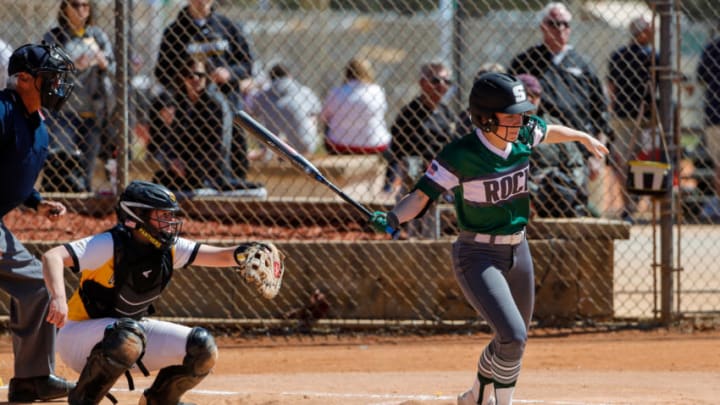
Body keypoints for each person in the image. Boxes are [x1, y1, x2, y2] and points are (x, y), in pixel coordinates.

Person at [370, 72, 608, 405]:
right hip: (477, 255)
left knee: (512, 341)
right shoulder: (461, 154)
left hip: (518, 251)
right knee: (512, 335)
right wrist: (395, 216)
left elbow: (549, 130)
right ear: (485, 118)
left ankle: (476, 395)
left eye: (521, 112)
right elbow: (422, 196)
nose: (521, 119)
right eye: (510, 114)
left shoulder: (522, 133)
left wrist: (582, 137)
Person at [41, 180, 284, 404]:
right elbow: (53, 256)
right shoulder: (109, 244)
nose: (170, 222)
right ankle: (83, 399)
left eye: (171, 215)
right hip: (77, 337)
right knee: (128, 335)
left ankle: (159, 401)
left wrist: (245, 251)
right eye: (162, 215)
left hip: (128, 335)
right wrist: (59, 298)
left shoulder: (167, 248)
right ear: (138, 215)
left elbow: (219, 255)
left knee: (202, 348)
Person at [1, 42, 76, 402]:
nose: (58, 85)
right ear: (26, 80)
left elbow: (11, 172)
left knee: (39, 287)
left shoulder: (37, 126)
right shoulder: (2, 111)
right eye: (51, 77)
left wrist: (36, 202)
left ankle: (32, 378)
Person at [509, 2, 611, 211]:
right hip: (538, 152)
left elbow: (600, 115)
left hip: (577, 154)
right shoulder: (525, 62)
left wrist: (595, 158)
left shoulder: (582, 66)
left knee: (574, 207)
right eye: (554, 23)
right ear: (543, 27)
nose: (561, 29)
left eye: (565, 24)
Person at [155, 0, 255, 182]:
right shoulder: (175, 31)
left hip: (227, 99)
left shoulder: (227, 26)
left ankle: (235, 185)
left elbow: (247, 65)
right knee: (193, 152)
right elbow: (162, 72)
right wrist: (177, 90)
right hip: (190, 104)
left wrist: (229, 73)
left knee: (234, 148)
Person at [151, 57, 266, 197]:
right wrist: (172, 160)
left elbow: (218, 149)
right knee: (158, 181)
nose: (195, 79)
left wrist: (189, 167)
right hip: (188, 171)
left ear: (207, 77)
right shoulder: (182, 103)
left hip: (214, 173)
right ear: (182, 78)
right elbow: (170, 141)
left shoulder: (216, 104)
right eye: (189, 75)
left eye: (200, 75)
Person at [43, 0, 116, 192]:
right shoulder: (55, 36)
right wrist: (73, 65)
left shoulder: (97, 36)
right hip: (63, 111)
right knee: (61, 163)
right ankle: (62, 205)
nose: (81, 10)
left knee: (87, 168)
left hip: (93, 111)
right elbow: (45, 67)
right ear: (65, 7)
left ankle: (84, 205)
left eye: (86, 5)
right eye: (76, 5)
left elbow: (116, 69)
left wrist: (103, 62)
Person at [384, 61, 457, 236]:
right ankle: (416, 235)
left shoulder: (446, 113)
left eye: (447, 82)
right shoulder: (409, 113)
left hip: (441, 169)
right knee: (415, 169)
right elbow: (400, 150)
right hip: (417, 170)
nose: (442, 86)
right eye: (436, 80)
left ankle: (429, 237)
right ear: (422, 83)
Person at [520, 73, 594, 217]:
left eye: (535, 95)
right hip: (528, 192)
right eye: (525, 94)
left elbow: (576, 162)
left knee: (589, 211)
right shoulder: (507, 129)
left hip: (557, 191)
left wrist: (571, 186)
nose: (531, 99)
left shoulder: (552, 124)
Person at [607, 16, 658, 220]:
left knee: (626, 161)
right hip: (646, 115)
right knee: (643, 160)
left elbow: (612, 88)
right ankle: (636, 202)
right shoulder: (653, 55)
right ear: (643, 32)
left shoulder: (619, 55)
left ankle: (630, 204)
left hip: (625, 114)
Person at [248, 63, 322, 157]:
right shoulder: (304, 91)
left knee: (268, 117)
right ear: (289, 75)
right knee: (310, 118)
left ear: (270, 78)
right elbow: (317, 113)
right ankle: (297, 148)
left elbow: (253, 112)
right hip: (305, 144)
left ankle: (271, 151)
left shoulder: (263, 95)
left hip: (272, 147)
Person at [321, 57, 391, 154]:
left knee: (328, 125)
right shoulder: (377, 91)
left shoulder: (336, 92)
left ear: (347, 72)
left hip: (339, 145)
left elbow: (324, 117)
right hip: (375, 145)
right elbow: (382, 112)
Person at [697, 31, 720, 221]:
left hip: (715, 113)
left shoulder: (712, 47)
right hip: (714, 113)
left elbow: (701, 76)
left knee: (719, 163)